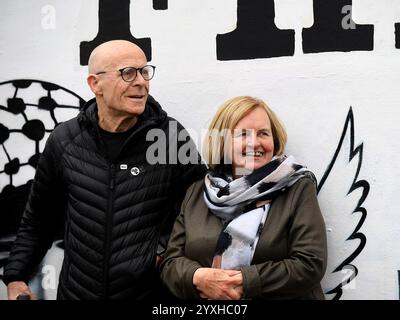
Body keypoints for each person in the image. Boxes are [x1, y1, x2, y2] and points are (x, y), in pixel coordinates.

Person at [3, 40, 206, 300]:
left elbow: (200, 210)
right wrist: (16, 277)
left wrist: (160, 250)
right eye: (128, 73)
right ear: (95, 84)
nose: (142, 81)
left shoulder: (169, 137)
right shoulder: (64, 140)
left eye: (145, 71)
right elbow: (38, 219)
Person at [160, 96, 327, 300]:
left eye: (264, 133)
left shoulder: (297, 187)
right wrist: (197, 277)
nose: (254, 143)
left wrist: (243, 281)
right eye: (243, 134)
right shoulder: (198, 192)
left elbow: (310, 263)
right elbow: (170, 263)